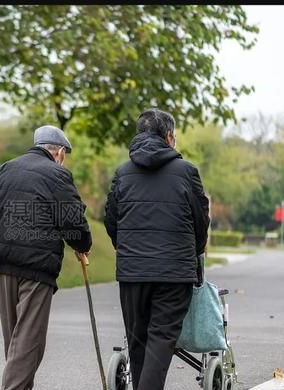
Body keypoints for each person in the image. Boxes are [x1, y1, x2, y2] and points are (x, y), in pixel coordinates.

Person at [0, 125, 92, 390]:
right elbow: (71, 220)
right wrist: (82, 244)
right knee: (28, 341)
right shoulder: (58, 175)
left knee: (15, 341)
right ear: (59, 152)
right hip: (37, 269)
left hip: (4, 267)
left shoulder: (3, 170)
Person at [104, 108, 210, 390]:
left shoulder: (123, 174)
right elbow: (201, 221)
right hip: (174, 273)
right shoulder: (186, 172)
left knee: (137, 340)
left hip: (132, 272)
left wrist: (126, 249)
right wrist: (195, 252)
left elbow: (111, 220)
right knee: (161, 340)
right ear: (169, 137)